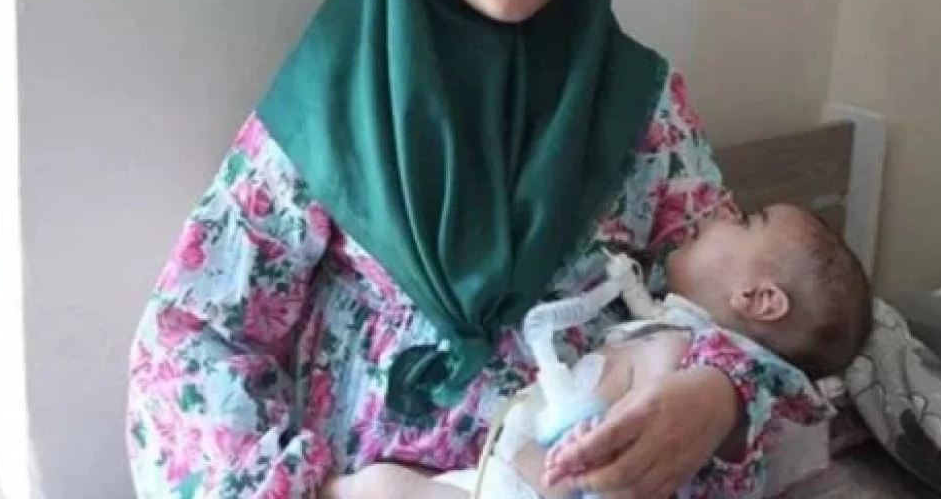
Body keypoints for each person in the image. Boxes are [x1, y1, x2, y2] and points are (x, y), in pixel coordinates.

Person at [125, 0, 829, 497]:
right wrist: (330, 493)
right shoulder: (334, 106)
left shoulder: (639, 106)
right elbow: (190, 339)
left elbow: (746, 294)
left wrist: (720, 395)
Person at [371, 203, 873, 499]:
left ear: (758, 299)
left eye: (744, 221)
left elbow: (627, 437)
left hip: (528, 488)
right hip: (507, 476)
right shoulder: (678, 335)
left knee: (378, 488)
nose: (721, 211)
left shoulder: (688, 359)